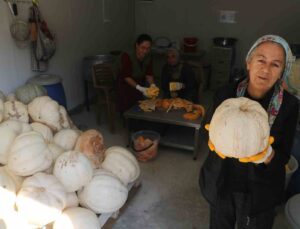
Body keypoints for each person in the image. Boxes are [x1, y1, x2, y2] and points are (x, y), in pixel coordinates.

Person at [199, 35, 299, 229]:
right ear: (249, 62)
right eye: (261, 60)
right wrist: (212, 138)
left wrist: (268, 155)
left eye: (275, 64)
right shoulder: (225, 94)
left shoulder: (289, 106)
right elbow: (205, 130)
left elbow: (284, 155)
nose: (265, 69)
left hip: (260, 191)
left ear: (282, 72)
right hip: (222, 183)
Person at [117, 34, 155, 113]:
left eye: (148, 48)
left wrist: (152, 86)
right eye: (143, 48)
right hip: (124, 82)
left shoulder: (149, 55)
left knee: (140, 104)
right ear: (137, 45)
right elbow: (126, 76)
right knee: (127, 105)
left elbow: (149, 73)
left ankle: (138, 118)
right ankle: (126, 118)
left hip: (138, 80)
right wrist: (139, 88)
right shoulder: (127, 55)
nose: (145, 51)